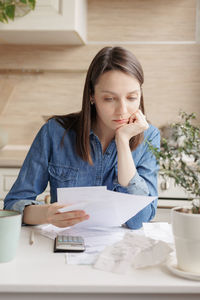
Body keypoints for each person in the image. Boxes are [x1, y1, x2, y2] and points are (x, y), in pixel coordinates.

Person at [4, 46, 160, 230]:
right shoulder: (54, 132)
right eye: (110, 99)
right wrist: (47, 214)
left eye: (132, 97)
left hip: (119, 249)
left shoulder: (150, 136)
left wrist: (123, 142)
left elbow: (139, 221)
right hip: (63, 245)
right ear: (92, 96)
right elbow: (13, 205)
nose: (122, 110)